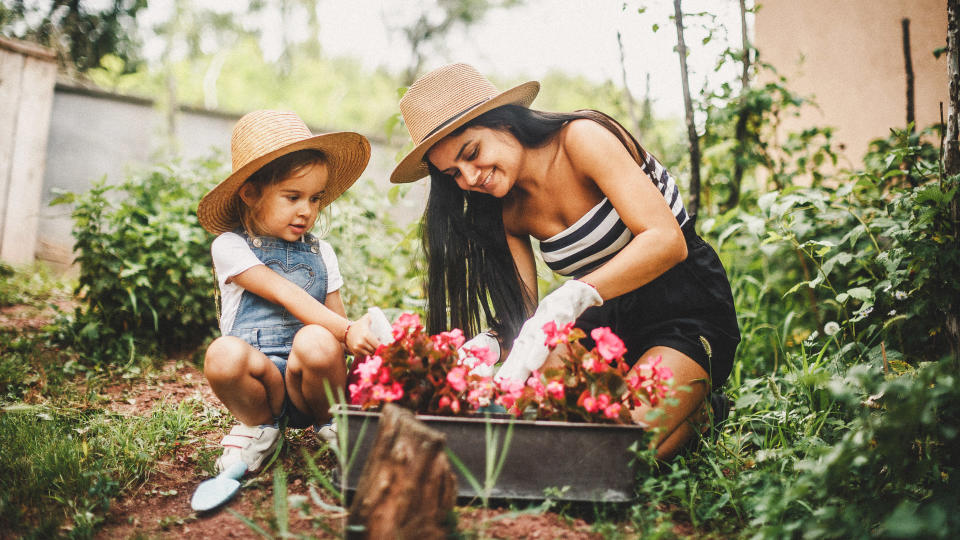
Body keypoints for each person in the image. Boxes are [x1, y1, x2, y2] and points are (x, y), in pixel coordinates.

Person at [390, 63, 740, 459]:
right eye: (454, 173)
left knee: (616, 452)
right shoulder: (505, 210)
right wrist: (483, 351)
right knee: (565, 434)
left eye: (472, 153)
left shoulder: (581, 138)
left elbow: (666, 241)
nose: (469, 178)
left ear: (504, 122)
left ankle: (702, 414)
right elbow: (525, 321)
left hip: (683, 304)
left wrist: (572, 295)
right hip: (606, 318)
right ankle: (662, 416)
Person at [197, 110, 383, 474]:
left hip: (308, 388)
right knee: (221, 355)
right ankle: (260, 430)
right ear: (250, 193)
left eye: (315, 198)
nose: (307, 211)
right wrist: (346, 330)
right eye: (293, 196)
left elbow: (336, 326)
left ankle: (332, 424)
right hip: (260, 386)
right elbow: (283, 291)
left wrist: (360, 334)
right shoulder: (230, 246)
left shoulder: (322, 253)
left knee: (317, 337)